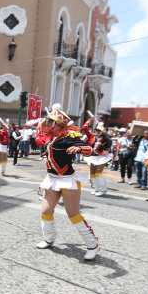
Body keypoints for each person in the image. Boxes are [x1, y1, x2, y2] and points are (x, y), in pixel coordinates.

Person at [34, 108, 100, 261]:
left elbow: (89, 148)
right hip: (52, 179)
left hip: (67, 180)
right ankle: (49, 239)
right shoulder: (52, 137)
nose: (48, 124)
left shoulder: (69, 137)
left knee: (73, 214)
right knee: (45, 210)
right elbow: (39, 137)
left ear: (60, 125)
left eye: (52, 122)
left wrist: (80, 148)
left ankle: (93, 245)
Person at [84, 121, 112, 197]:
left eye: (99, 130)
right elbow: (85, 129)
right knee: (92, 174)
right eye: (96, 130)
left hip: (102, 158)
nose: (97, 131)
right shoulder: (93, 137)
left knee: (98, 174)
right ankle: (96, 188)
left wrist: (98, 151)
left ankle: (103, 189)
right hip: (93, 157)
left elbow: (106, 151)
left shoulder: (107, 140)